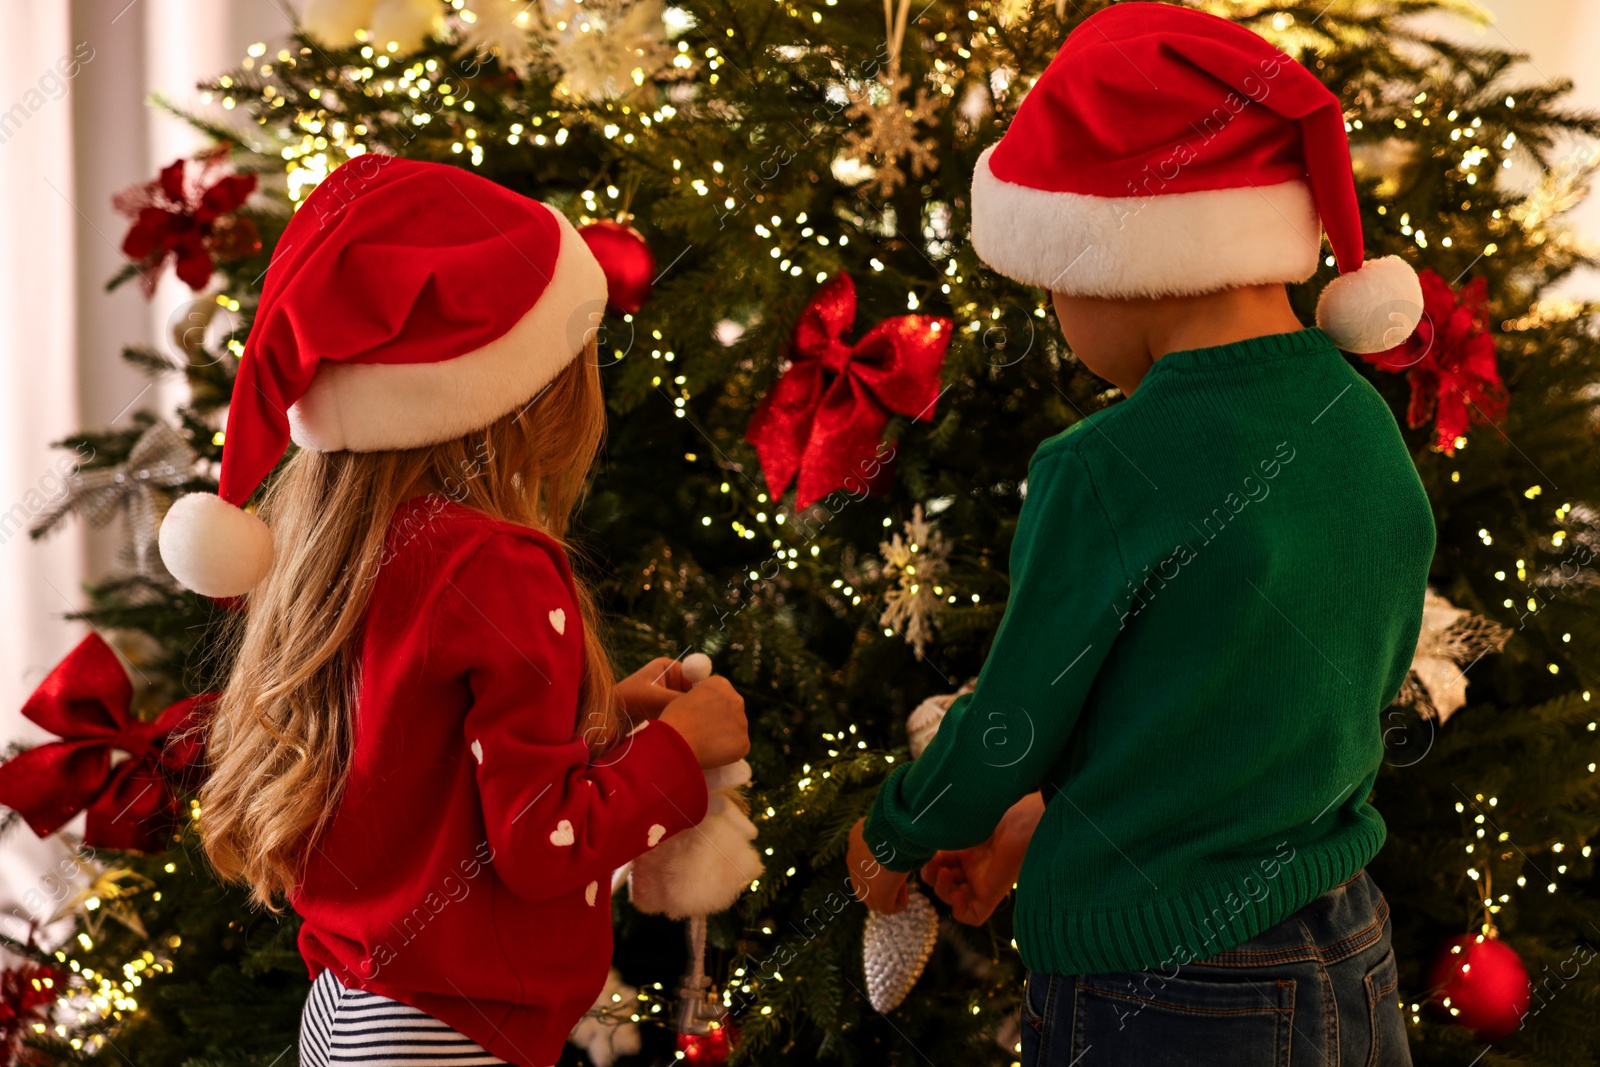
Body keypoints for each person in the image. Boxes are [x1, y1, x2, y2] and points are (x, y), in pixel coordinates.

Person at [845, 5, 1433, 1064]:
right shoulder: (1358, 423)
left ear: (1113, 255)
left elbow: (1014, 721)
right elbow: (1243, 711)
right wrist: (1036, 827)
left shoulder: (1105, 468)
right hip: (1348, 943)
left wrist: (896, 831)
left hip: (1164, 991)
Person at [157, 156, 749, 1067]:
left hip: (352, 1009)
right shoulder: (495, 565)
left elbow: (433, 777)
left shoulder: (338, 552)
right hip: (452, 1032)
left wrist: (606, 721)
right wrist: (679, 752)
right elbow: (540, 846)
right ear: (518, 388)